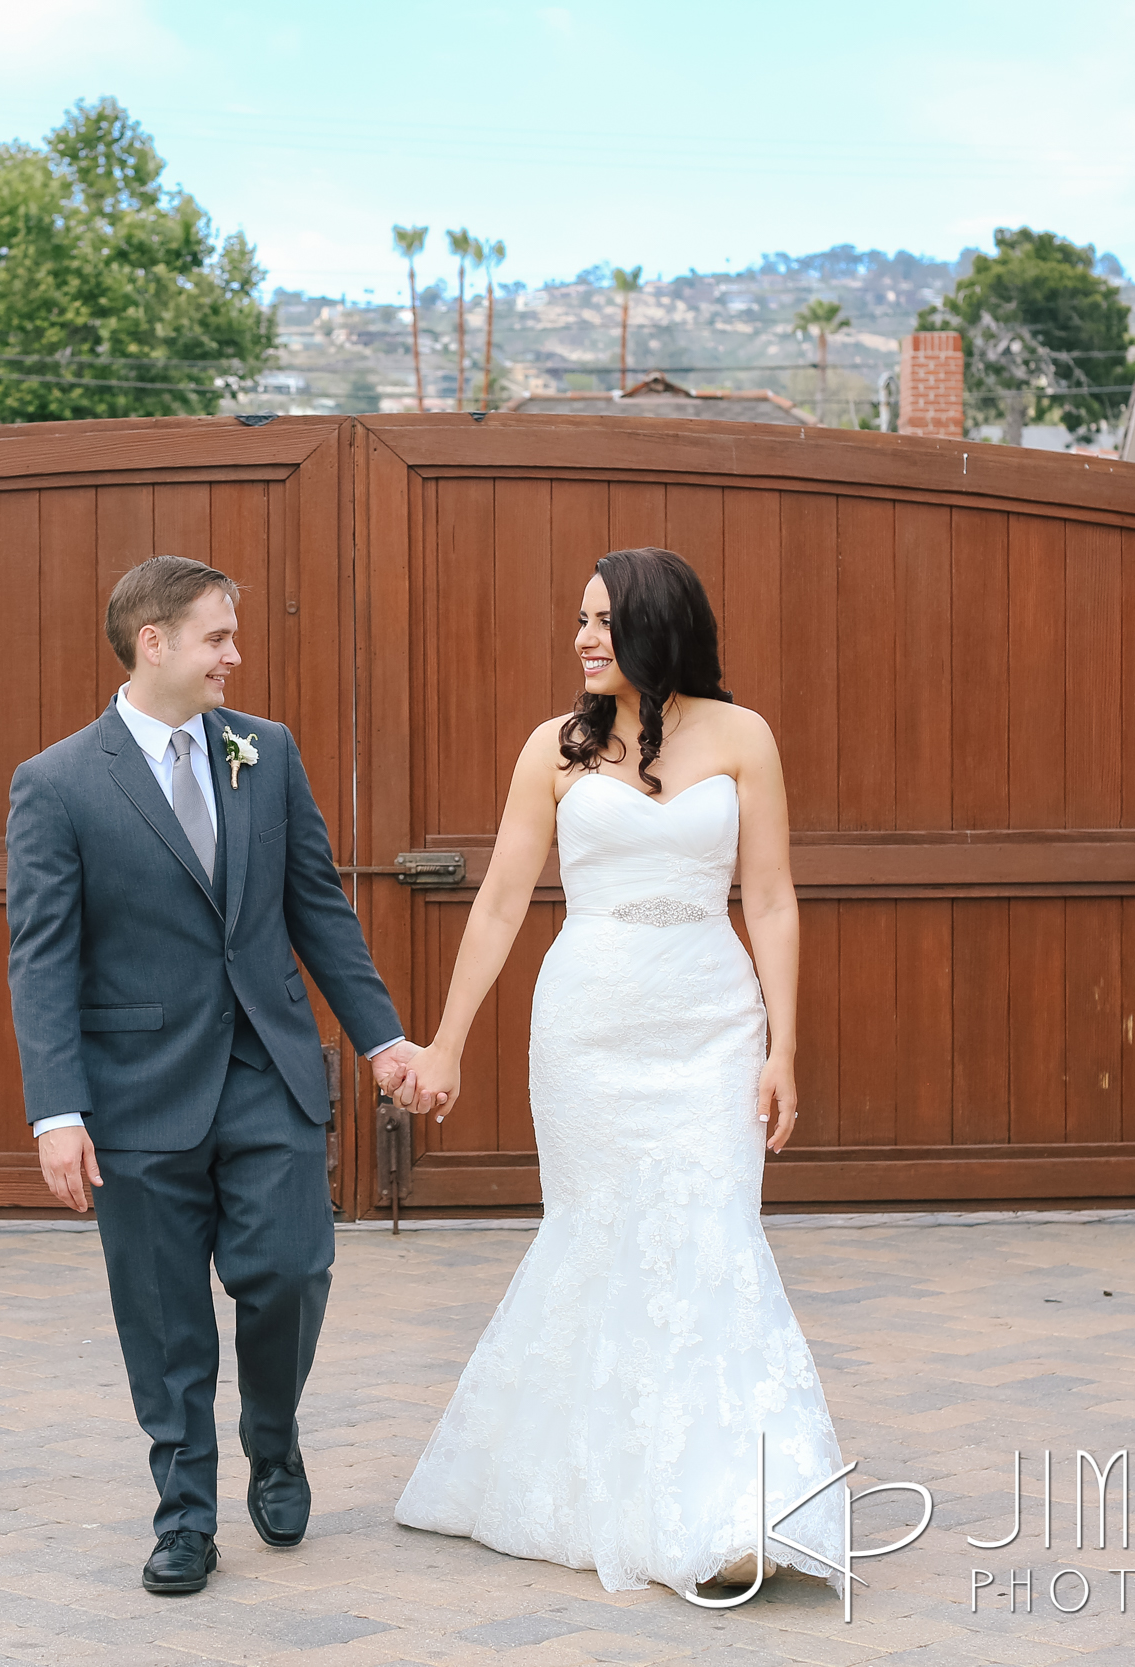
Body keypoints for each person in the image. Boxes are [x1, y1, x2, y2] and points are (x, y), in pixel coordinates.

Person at [390, 546, 848, 1602]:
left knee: (713, 1234)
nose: (582, 637)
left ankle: (731, 1505)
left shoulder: (744, 738)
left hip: (710, 1023)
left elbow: (770, 897)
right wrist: (448, 1040)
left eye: (601, 619)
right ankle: (603, 1484)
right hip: (590, 1027)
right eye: (579, 619)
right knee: (601, 1236)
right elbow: (502, 899)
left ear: (657, 624)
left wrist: (783, 1043)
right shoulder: (552, 749)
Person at [5, 555, 424, 1596]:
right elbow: (41, 956)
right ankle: (185, 1513)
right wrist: (56, 1110)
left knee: (289, 1268)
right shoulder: (55, 782)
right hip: (135, 1089)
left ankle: (272, 1437)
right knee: (163, 1315)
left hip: (266, 1068)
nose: (235, 656)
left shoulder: (263, 752)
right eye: (218, 638)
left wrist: (382, 1040)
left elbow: (317, 906)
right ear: (155, 643)